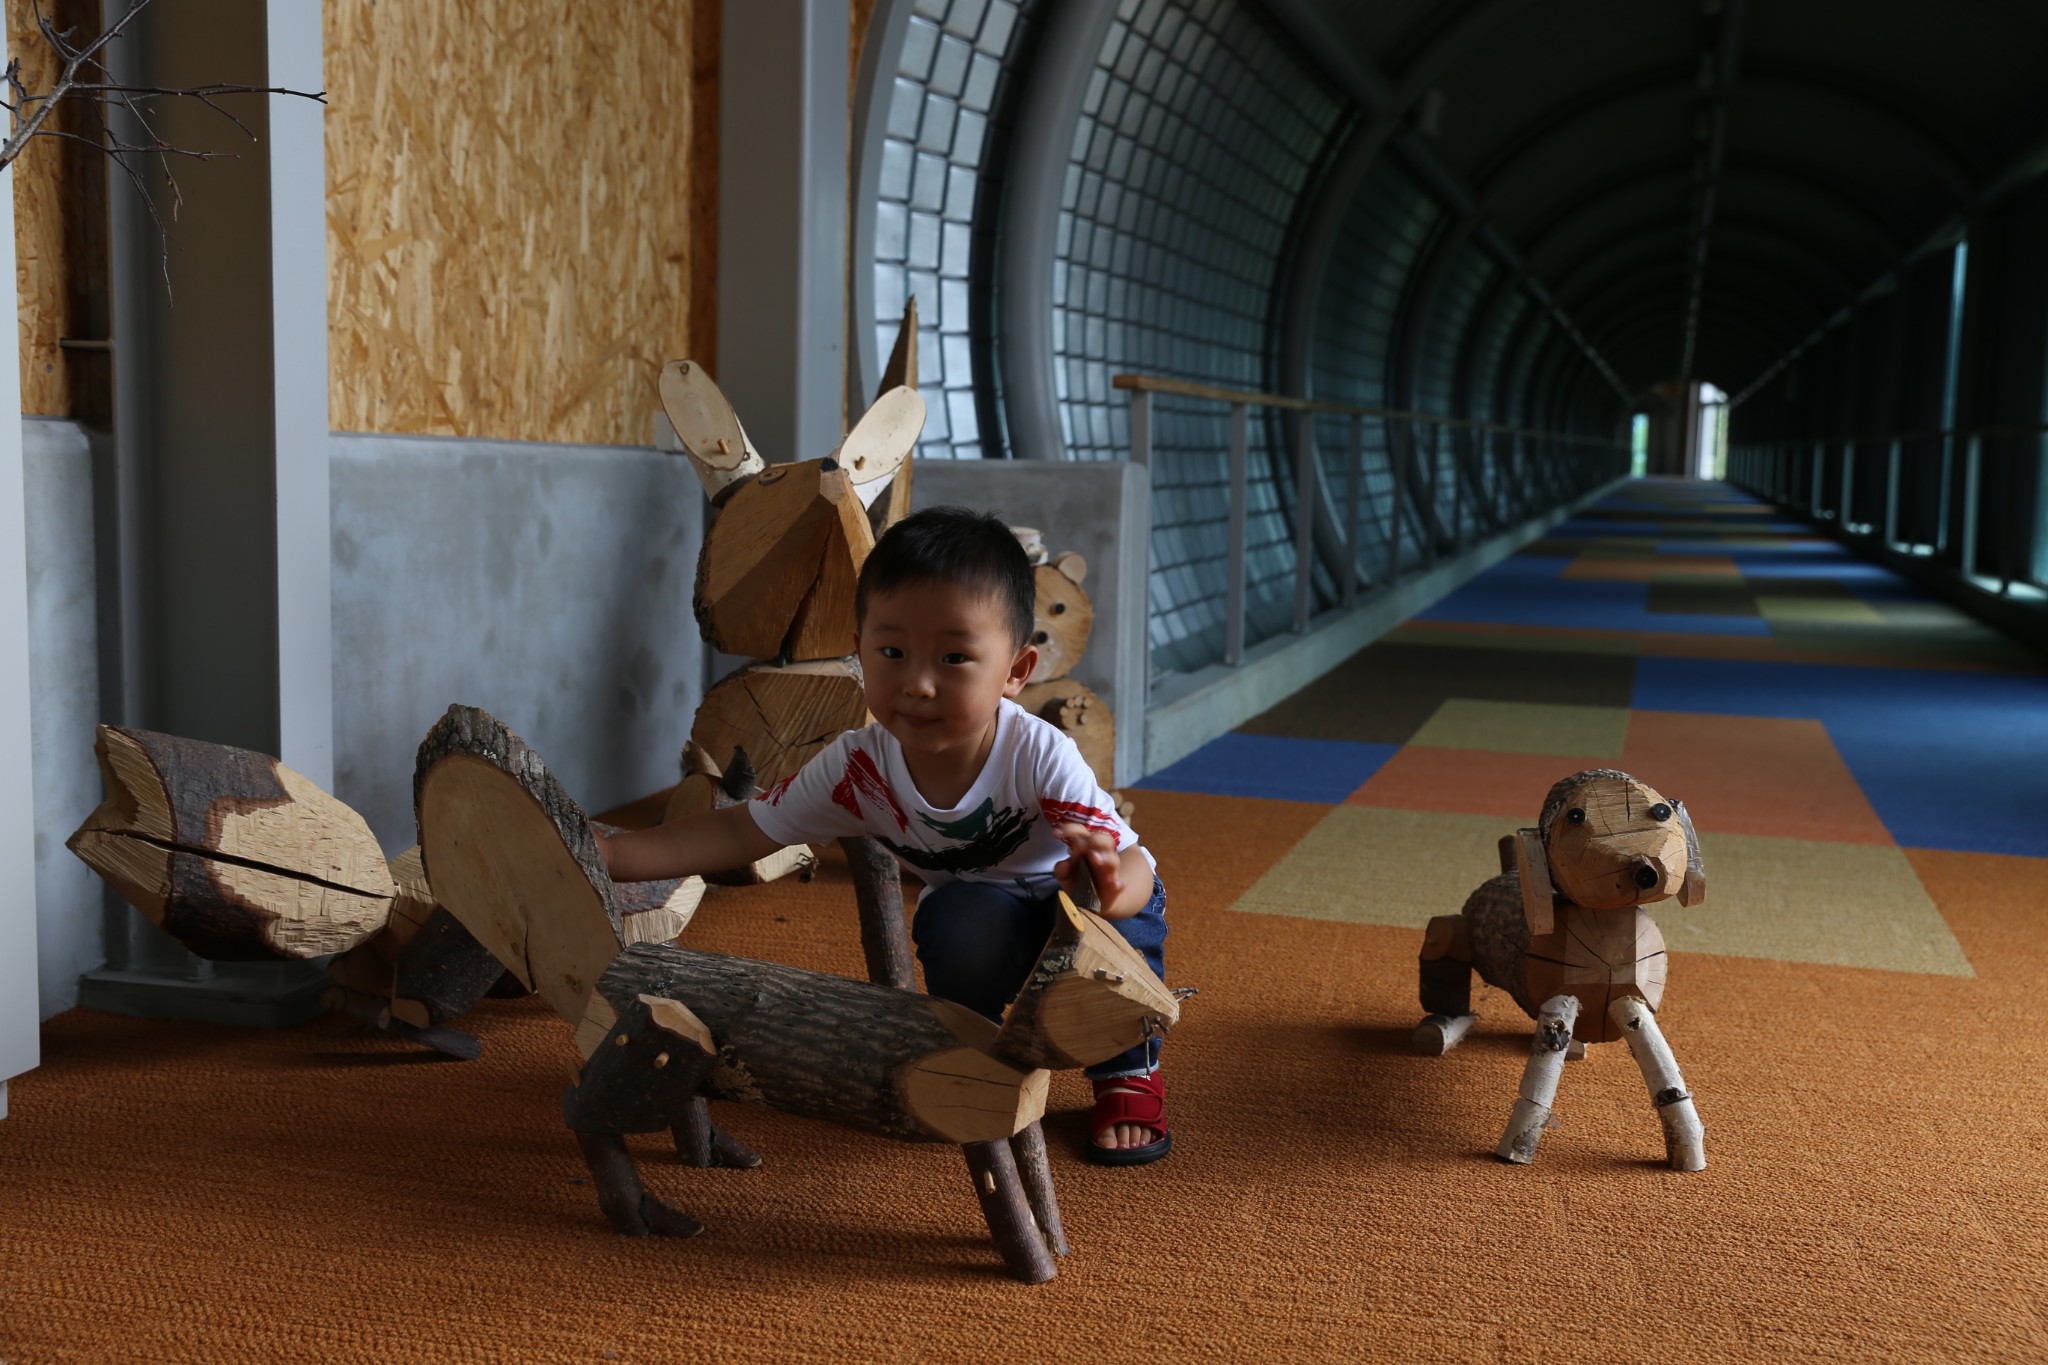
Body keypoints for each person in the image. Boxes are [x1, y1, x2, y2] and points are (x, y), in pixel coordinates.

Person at [600, 505, 1172, 1165]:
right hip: (989, 908)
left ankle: (1128, 1070)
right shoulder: (857, 767)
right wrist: (616, 855)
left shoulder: (1037, 751)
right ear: (859, 647)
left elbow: (1127, 861)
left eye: (956, 657)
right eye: (892, 652)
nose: (918, 683)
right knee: (955, 919)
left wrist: (1106, 883)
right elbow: (742, 830)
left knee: (1111, 940)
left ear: (1016, 670)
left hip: (1085, 902)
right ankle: (986, 1054)